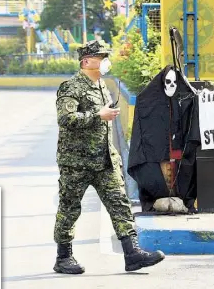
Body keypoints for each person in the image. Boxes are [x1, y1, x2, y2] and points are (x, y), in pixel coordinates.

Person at [53, 39, 165, 275]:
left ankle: (132, 254)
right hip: (77, 163)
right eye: (100, 57)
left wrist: (105, 116)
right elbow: (66, 120)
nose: (105, 60)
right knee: (69, 209)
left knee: (120, 204)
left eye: (105, 56)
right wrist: (98, 114)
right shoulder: (70, 87)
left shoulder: (102, 85)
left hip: (104, 160)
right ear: (86, 61)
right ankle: (63, 257)